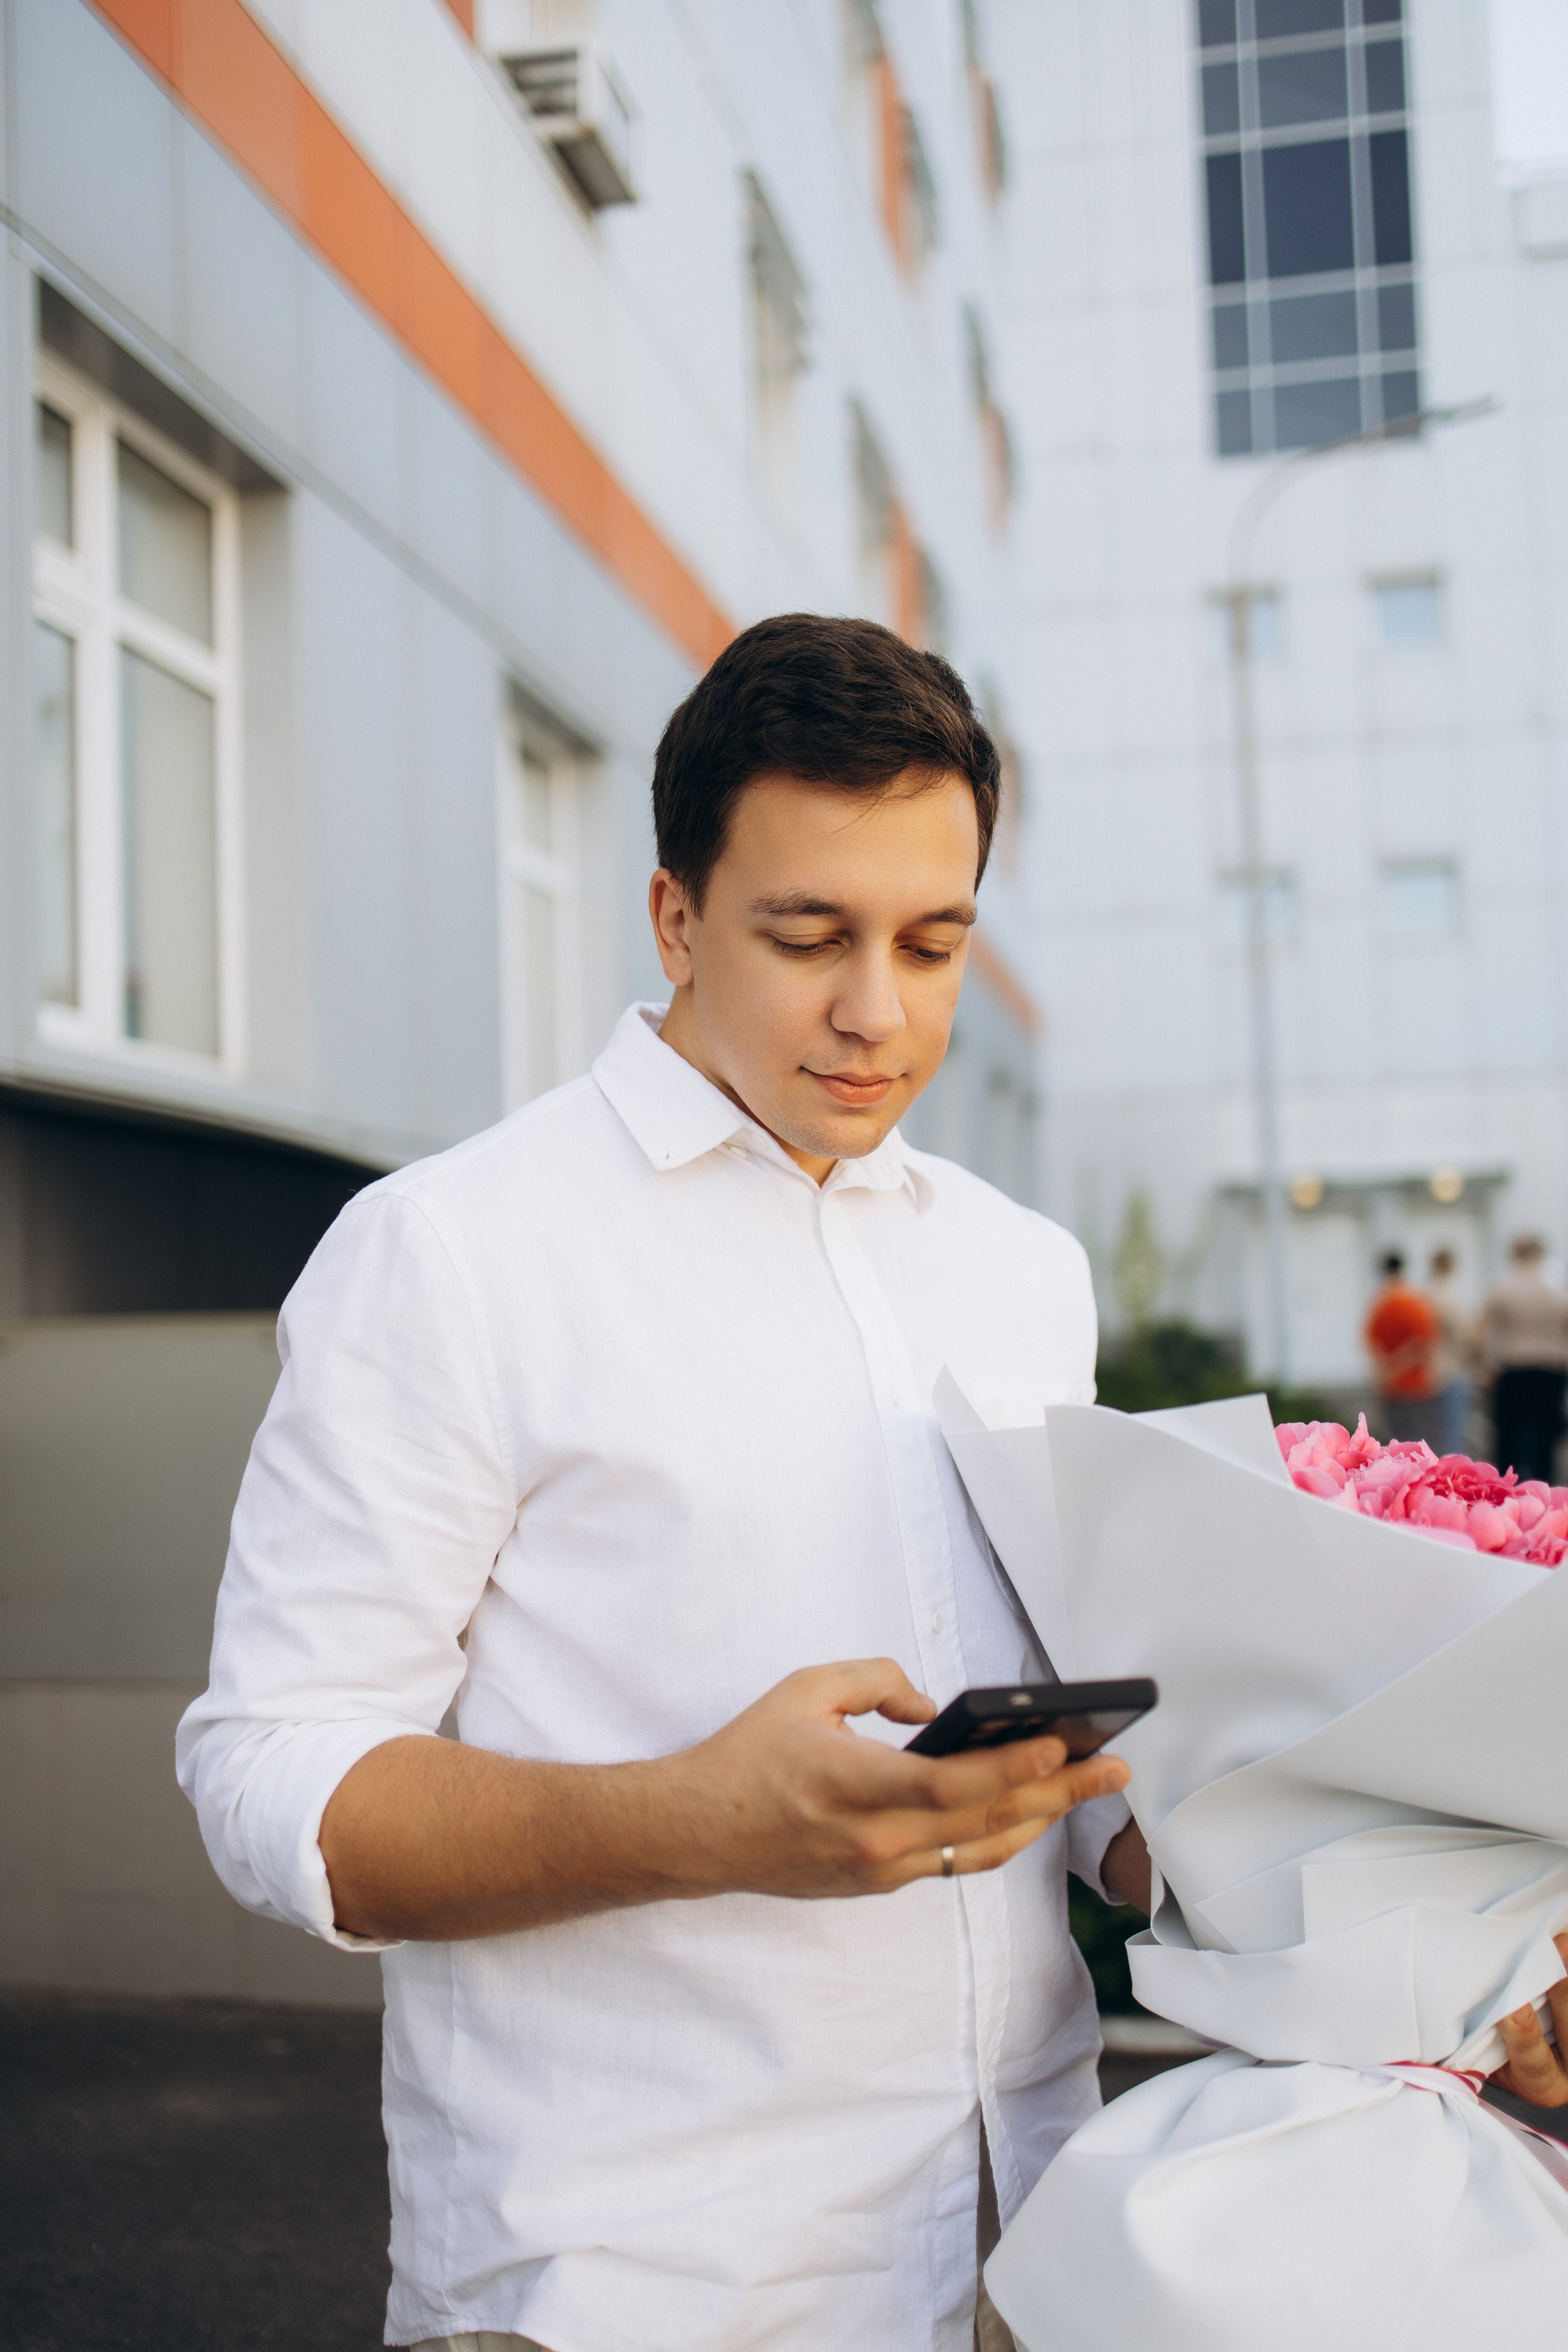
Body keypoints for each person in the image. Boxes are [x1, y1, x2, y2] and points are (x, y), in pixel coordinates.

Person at [177, 615, 1148, 2352]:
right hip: (640, 2287)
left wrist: (1212, 1832)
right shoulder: (454, 1253)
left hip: (1030, 2254)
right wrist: (696, 1820)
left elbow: (1074, 1784)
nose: (878, 1013)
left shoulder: (1025, 1273)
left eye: (933, 945)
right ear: (675, 916)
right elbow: (274, 1776)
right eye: (808, 935)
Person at [1477, 1234, 1568, 1483]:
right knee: (1546, 1441)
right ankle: (1544, 1492)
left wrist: (1485, 1365)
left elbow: (1480, 1334)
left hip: (1513, 1368)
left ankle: (1507, 1491)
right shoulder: (1557, 1289)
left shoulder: (1504, 1287)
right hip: (1551, 1369)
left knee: (1507, 1439)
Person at [1362, 1248, 1439, 1445]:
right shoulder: (1415, 1304)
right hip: (1416, 1385)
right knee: (1421, 1441)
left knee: (1396, 1442)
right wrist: (1401, 1364)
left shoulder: (1380, 1306)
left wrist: (1388, 1370)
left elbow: (1372, 1344)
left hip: (1391, 1387)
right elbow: (1424, 1346)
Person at [1426, 1246, 1473, 1458]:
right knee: (1452, 1431)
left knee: (1433, 1429)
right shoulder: (1450, 1296)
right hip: (1451, 1369)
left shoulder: (1425, 1295)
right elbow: (1462, 1335)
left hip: (1429, 1370)